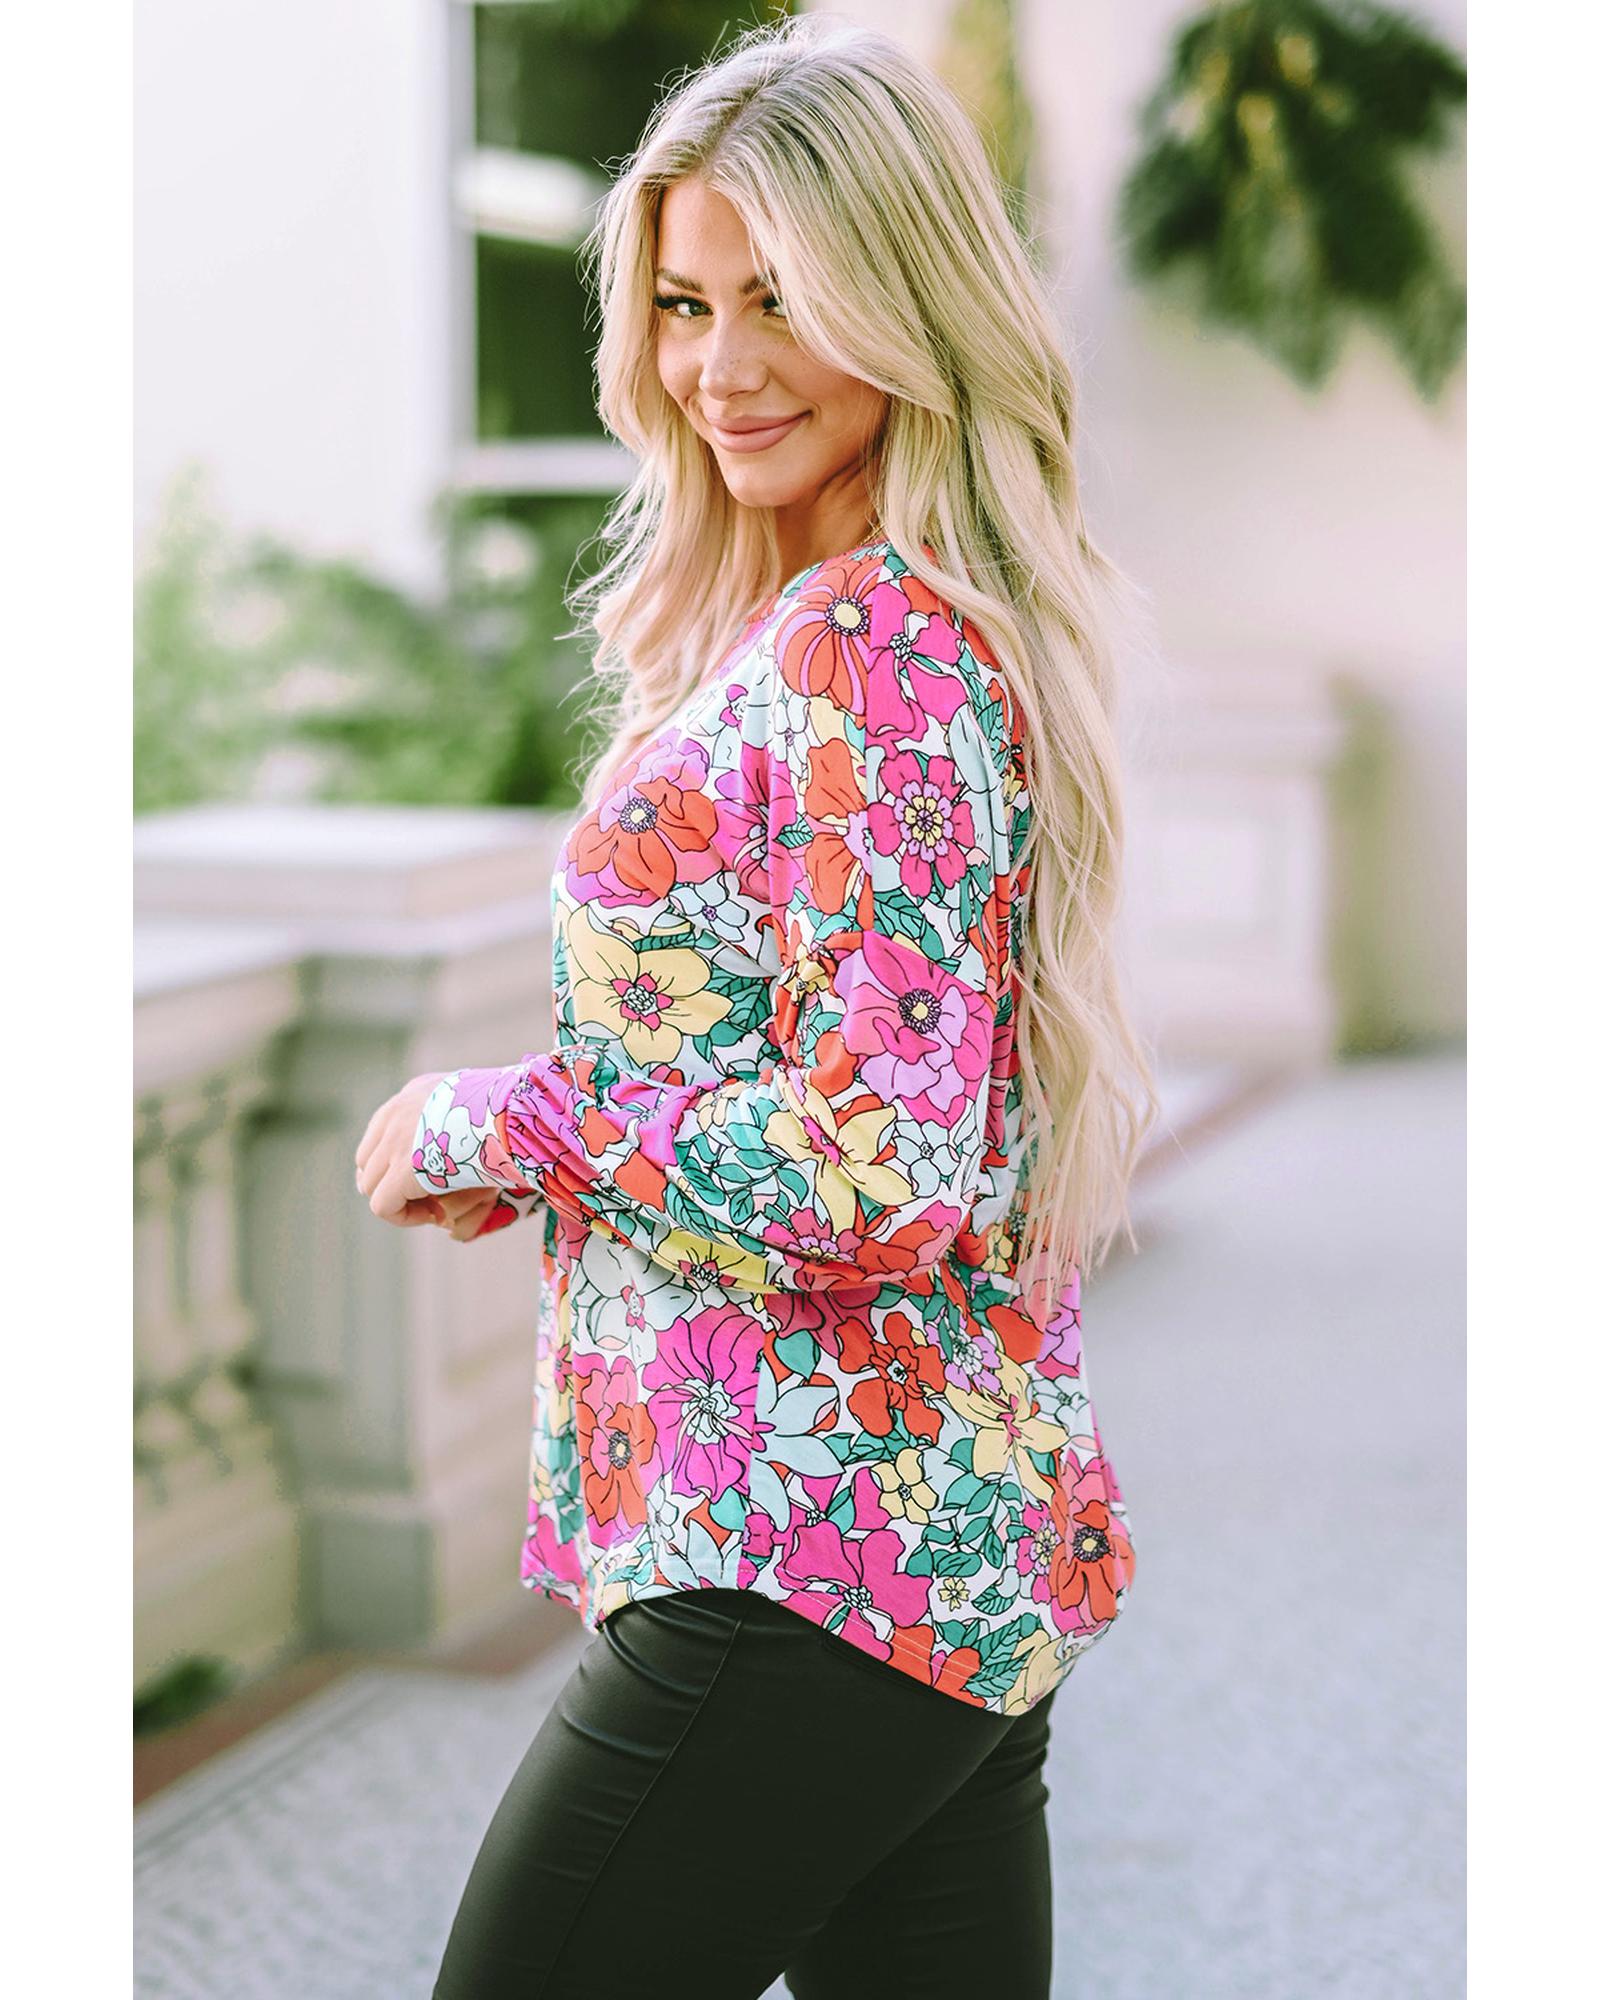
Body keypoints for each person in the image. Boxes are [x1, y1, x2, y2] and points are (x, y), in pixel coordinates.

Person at [354, 15, 1159, 1996]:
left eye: (782, 299)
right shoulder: (863, 628)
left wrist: (509, 1120)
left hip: (799, 1563)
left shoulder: (868, 653)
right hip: (920, 1541)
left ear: (907, 300)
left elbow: (879, 1167)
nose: (719, 366)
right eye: (685, 301)